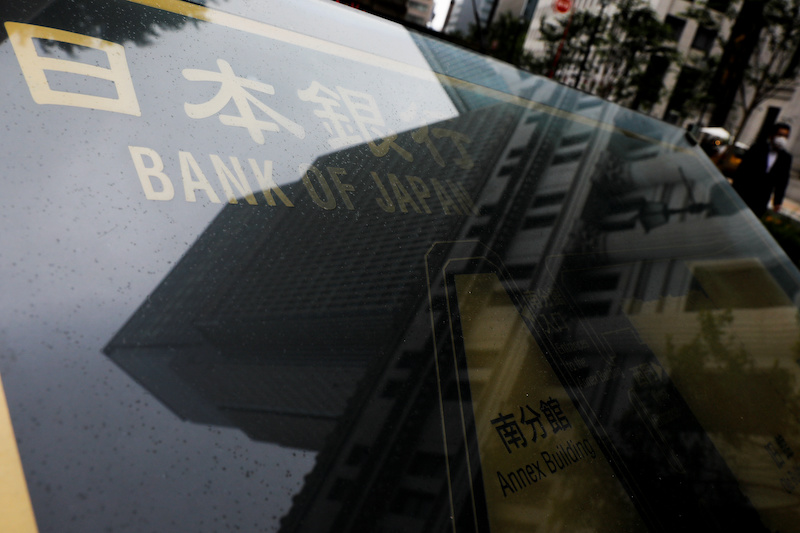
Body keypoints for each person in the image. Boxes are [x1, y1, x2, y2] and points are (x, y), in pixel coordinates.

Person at [732, 122, 793, 217]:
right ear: (772, 135)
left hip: (761, 201)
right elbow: (742, 171)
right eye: (780, 135)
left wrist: (777, 202)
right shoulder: (757, 149)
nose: (782, 139)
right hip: (744, 194)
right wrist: (734, 190)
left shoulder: (786, 158)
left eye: (785, 136)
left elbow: (782, 181)